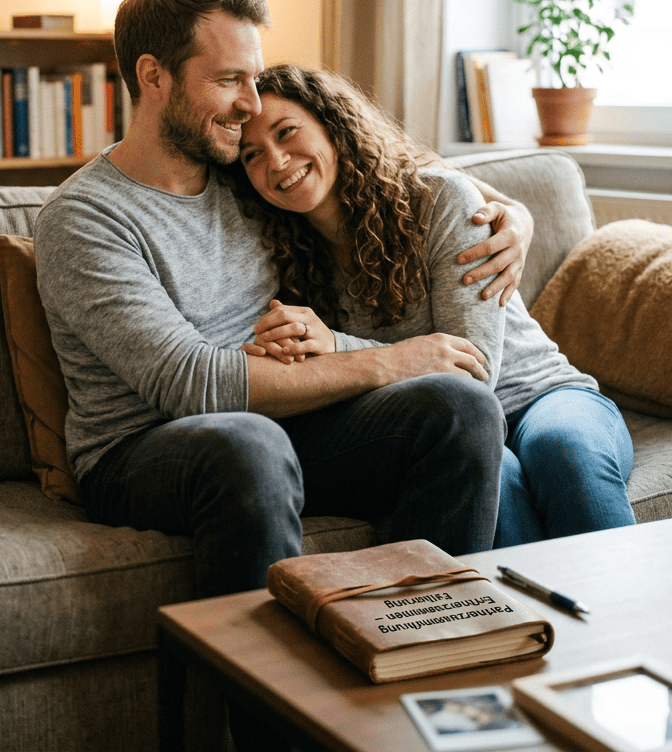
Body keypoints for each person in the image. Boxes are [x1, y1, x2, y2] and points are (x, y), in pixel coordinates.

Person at [33, 0, 536, 609]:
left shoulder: (240, 177)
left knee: (459, 408)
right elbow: (193, 385)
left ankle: (416, 645)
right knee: (249, 441)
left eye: (252, 76)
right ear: (153, 76)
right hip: (143, 449)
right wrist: (389, 362)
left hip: (279, 420)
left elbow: (390, 171)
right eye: (227, 80)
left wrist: (515, 214)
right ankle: (269, 706)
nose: (251, 103)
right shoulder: (85, 218)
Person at [230, 62, 636, 547]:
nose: (276, 162)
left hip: (541, 397)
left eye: (287, 131)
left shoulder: (438, 200)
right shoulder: (276, 253)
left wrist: (335, 344)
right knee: (494, 474)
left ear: (331, 124)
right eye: (252, 154)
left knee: (563, 450)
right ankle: (523, 622)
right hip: (444, 433)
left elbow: (474, 371)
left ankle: (631, 617)